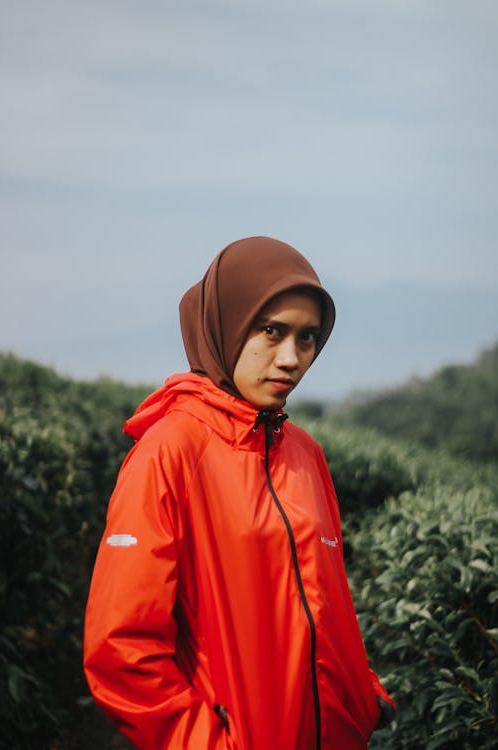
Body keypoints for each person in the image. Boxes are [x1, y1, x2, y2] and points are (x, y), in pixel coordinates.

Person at [84, 236, 395, 750]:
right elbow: (122, 649)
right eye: (272, 331)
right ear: (227, 323)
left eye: (308, 337)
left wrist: (361, 699)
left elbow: (324, 608)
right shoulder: (170, 451)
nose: (291, 358)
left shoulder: (304, 453)